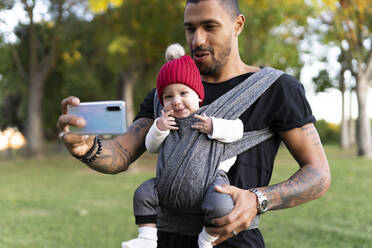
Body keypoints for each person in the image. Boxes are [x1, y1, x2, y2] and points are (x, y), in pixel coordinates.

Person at [57, 0, 331, 247]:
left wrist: (257, 199)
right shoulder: (167, 93)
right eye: (190, 28)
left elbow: (318, 174)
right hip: (165, 240)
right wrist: (86, 148)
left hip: (234, 242)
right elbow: (121, 153)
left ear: (238, 25)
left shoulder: (276, 89)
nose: (197, 39)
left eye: (210, 27)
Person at [122, 44, 244, 248]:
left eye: (183, 93)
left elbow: (238, 130)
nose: (176, 102)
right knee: (142, 193)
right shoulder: (166, 122)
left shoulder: (211, 116)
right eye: (168, 97)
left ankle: (207, 238)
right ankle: (147, 238)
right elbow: (151, 147)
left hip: (211, 180)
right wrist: (159, 128)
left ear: (198, 95)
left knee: (222, 205)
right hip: (168, 182)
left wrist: (213, 126)